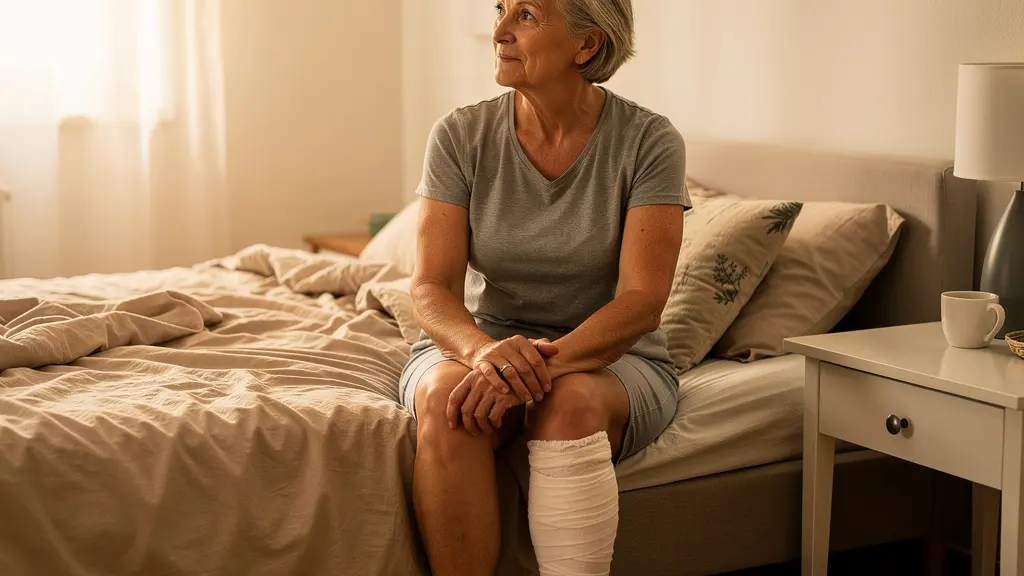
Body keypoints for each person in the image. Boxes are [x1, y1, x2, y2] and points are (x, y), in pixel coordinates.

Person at [397, 0, 690, 574]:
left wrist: (531, 370)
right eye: (501, 9)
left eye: (526, 15)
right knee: (448, 401)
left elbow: (642, 302)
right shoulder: (459, 134)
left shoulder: (649, 141)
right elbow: (431, 286)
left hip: (611, 357)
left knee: (570, 404)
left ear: (587, 45)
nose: (499, 31)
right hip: (481, 345)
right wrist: (484, 356)